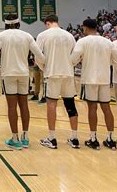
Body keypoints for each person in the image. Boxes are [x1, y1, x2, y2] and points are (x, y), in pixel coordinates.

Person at [0, 14, 44, 150]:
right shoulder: (27, 35)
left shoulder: (1, 35)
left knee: (12, 107)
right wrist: (43, 67)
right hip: (24, 74)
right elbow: (40, 55)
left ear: (6, 24)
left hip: (8, 74)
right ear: (19, 24)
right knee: (24, 105)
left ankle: (15, 139)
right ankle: (25, 137)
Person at [71, 18, 117, 150]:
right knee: (107, 108)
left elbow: (73, 59)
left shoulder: (82, 41)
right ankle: (110, 139)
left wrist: (81, 61)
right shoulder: (108, 42)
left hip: (89, 79)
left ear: (85, 28)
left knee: (92, 108)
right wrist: (106, 63)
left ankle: (93, 139)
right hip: (104, 79)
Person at [36, 15, 79, 149]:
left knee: (51, 104)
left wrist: (44, 67)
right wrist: (69, 65)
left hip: (52, 73)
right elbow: (76, 55)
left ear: (47, 23)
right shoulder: (69, 35)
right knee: (70, 104)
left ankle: (52, 138)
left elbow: (38, 56)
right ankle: (74, 138)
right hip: (68, 73)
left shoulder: (43, 35)